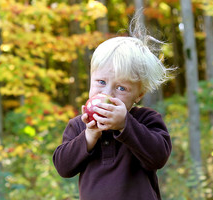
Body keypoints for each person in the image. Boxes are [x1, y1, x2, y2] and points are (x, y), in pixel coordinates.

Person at [52, 14, 172, 200]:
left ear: (138, 95)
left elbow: (158, 157)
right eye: (101, 82)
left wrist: (125, 125)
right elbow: (63, 167)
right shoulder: (78, 126)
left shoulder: (147, 120)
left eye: (121, 87)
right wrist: (89, 136)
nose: (107, 94)